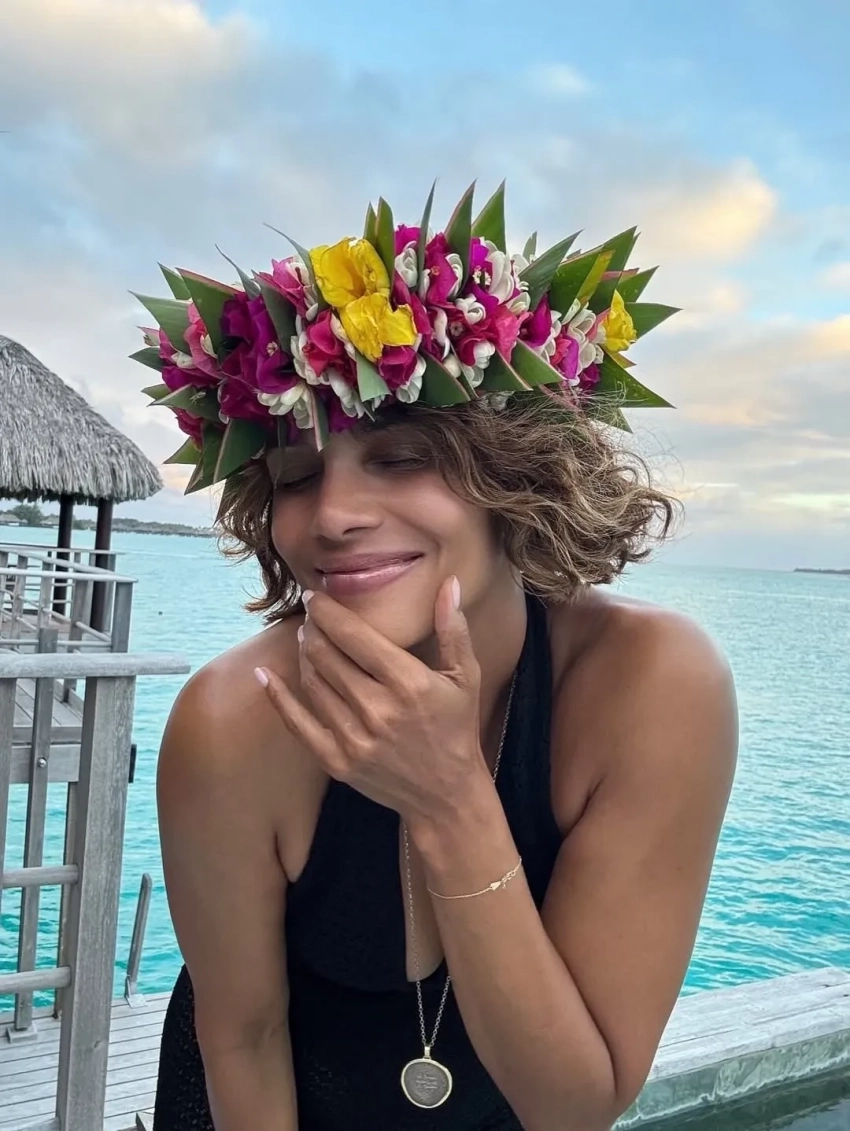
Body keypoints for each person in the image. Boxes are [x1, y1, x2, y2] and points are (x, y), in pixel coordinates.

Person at [145, 186, 738, 1131]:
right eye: (297, 475)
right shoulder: (233, 721)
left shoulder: (651, 687)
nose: (334, 515)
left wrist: (449, 797)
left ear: (518, 474)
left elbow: (574, 1106)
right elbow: (245, 1040)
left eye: (402, 457)